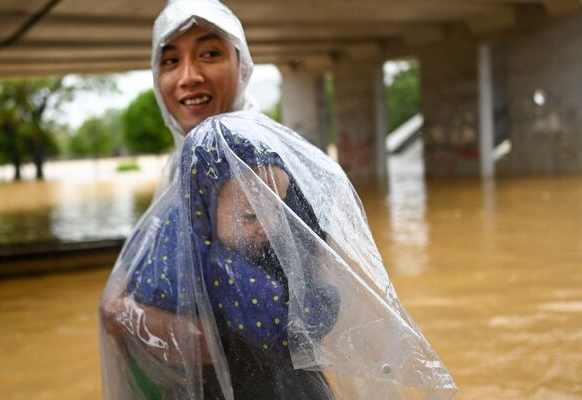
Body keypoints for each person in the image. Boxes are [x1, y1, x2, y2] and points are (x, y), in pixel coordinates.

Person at [99, 1, 458, 399]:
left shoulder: (246, 159)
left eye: (209, 54)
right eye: (170, 61)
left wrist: (122, 314)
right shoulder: (187, 165)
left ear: (242, 64)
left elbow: (223, 336)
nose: (188, 76)